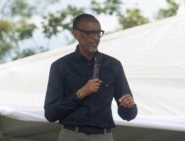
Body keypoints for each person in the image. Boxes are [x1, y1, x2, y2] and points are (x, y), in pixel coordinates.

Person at [44, 13, 138, 141]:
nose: (95, 38)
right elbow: (50, 114)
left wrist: (129, 106)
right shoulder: (60, 66)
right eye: (90, 33)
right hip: (72, 135)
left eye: (98, 33)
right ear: (76, 34)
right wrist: (80, 93)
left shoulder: (113, 66)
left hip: (104, 136)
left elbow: (128, 116)